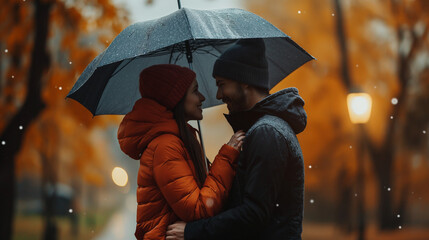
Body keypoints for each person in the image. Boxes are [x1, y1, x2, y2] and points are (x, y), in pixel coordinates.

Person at [166, 39, 307, 240]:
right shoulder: (261, 129)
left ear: (245, 80)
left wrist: (192, 231)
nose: (218, 94)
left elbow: (254, 214)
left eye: (222, 85)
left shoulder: (267, 132)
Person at [117, 64, 245, 240]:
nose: (202, 97)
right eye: (195, 91)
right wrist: (227, 156)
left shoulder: (180, 139)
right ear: (175, 99)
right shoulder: (166, 146)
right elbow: (199, 208)